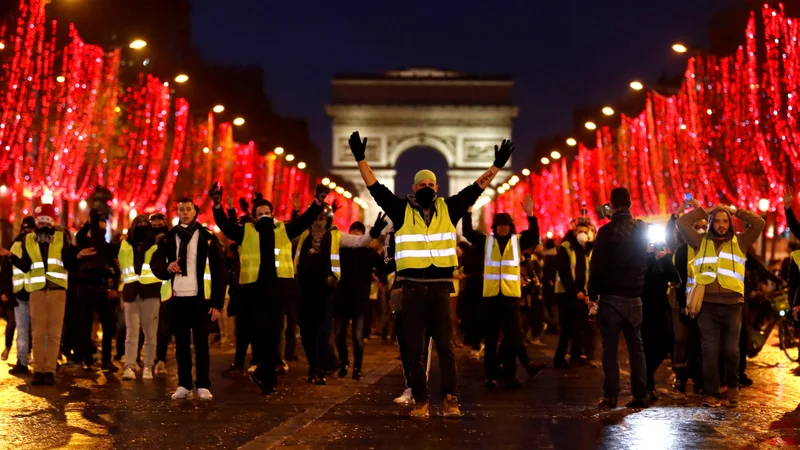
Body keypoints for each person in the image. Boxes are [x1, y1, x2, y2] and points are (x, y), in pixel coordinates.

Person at [348, 130, 514, 418]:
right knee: (413, 349)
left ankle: (451, 398)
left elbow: (476, 188)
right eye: (421, 184)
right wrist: (361, 159)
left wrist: (496, 167)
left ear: (437, 187)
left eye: (430, 183)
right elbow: (375, 189)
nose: (426, 187)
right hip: (411, 289)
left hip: (439, 289)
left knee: (446, 350)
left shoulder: (449, 208)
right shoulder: (400, 210)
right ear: (414, 187)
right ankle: (422, 400)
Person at [211, 182, 326, 394]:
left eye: (266, 212)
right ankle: (266, 377)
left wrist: (318, 203)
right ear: (254, 216)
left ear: (272, 213)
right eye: (259, 212)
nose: (263, 215)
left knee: (273, 336)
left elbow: (305, 221)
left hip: (278, 292)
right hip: (255, 293)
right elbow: (224, 226)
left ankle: (265, 376)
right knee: (262, 335)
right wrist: (218, 205)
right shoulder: (245, 231)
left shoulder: (283, 229)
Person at [676, 200, 764, 407]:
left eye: (725, 221)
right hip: (707, 305)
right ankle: (711, 393)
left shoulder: (740, 242)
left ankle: (733, 386)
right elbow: (682, 224)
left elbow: (759, 223)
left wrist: (736, 211)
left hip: (733, 305)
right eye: (717, 221)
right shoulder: (699, 242)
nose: (721, 225)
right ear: (711, 223)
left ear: (730, 223)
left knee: (731, 350)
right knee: (710, 350)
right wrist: (706, 210)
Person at [294, 203, 387, 385]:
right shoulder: (303, 236)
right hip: (305, 291)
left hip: (327, 293)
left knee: (322, 334)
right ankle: (319, 365)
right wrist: (297, 212)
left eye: (323, 217)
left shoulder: (337, 237)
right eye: (316, 217)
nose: (319, 221)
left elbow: (359, 241)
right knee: (307, 334)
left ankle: (318, 370)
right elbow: (290, 231)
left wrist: (374, 231)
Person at [1, 203, 92, 385]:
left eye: (47, 222)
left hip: (57, 292)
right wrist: (11, 255)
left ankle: (49, 370)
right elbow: (26, 266)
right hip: (36, 292)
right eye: (40, 222)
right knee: (38, 333)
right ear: (37, 224)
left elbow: (67, 262)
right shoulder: (28, 240)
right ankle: (39, 370)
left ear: (52, 224)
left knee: (54, 333)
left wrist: (78, 256)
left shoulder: (60, 238)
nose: (43, 225)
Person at [461, 196, 544, 388]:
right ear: (494, 228)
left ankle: (510, 375)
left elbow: (534, 235)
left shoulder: (519, 241)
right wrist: (468, 211)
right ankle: (491, 375)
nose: (503, 228)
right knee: (491, 339)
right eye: (499, 225)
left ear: (511, 227)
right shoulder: (486, 242)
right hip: (491, 297)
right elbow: (467, 232)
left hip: (511, 296)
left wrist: (531, 215)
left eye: (506, 225)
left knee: (511, 337)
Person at [150, 198, 225, 400]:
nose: (184, 212)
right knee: (181, 344)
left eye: (188, 209)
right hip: (177, 298)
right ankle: (184, 384)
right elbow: (155, 260)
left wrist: (217, 304)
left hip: (200, 299)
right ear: (177, 212)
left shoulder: (207, 238)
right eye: (181, 209)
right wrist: (167, 268)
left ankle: (202, 385)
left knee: (201, 344)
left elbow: (219, 273)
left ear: (195, 212)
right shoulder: (169, 238)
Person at [588, 187, 650, 409]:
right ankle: (640, 395)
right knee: (637, 348)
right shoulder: (640, 230)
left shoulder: (606, 232)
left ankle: (611, 395)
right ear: (631, 203)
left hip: (611, 298)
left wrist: (592, 294)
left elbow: (597, 266)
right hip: (635, 297)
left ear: (611, 205)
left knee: (610, 348)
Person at [334, 221, 385, 381]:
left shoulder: (369, 253)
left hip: (360, 302)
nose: (355, 234)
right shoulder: (341, 251)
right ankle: (344, 363)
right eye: (353, 231)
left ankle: (357, 368)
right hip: (342, 300)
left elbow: (383, 268)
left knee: (357, 337)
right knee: (339, 335)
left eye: (359, 232)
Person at [115, 215, 163, 381]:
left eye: (144, 225)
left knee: (150, 334)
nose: (141, 227)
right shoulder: (125, 244)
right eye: (138, 225)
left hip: (150, 293)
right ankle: (129, 365)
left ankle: (148, 366)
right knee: (131, 333)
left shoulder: (156, 244)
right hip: (131, 293)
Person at [666, 201, 707, 394]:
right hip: (681, 301)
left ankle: (699, 378)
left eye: (703, 227)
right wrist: (683, 306)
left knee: (699, 341)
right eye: (696, 226)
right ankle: (680, 377)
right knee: (681, 339)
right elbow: (680, 279)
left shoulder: (709, 249)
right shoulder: (682, 250)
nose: (700, 230)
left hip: (702, 303)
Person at [74, 209, 121, 373]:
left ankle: (106, 359)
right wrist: (89, 223)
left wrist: (113, 287)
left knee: (108, 326)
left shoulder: (105, 249)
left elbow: (115, 268)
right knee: (85, 326)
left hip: (103, 290)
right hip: (86, 289)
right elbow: (80, 236)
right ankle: (87, 358)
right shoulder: (84, 245)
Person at [641, 242, 680, 402]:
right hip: (643, 307)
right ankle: (647, 385)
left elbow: (675, 278)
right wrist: (648, 256)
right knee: (646, 346)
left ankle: (647, 373)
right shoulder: (641, 257)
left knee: (666, 342)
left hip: (661, 306)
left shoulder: (664, 260)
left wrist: (665, 259)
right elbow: (643, 276)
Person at [553, 218, 594, 368]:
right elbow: (564, 273)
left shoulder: (588, 250)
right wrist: (575, 291)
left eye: (585, 232)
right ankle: (560, 357)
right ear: (575, 232)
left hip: (583, 296)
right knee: (567, 328)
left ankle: (577, 355)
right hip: (567, 295)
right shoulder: (566, 247)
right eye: (580, 231)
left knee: (581, 327)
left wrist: (588, 293)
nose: (582, 234)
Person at [0, 216, 36, 374]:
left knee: (24, 329)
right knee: (30, 330)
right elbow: (6, 272)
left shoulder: (14, 246)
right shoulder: (36, 245)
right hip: (30, 292)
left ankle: (24, 361)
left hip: (25, 292)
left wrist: (6, 292)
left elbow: (6, 272)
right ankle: (31, 361)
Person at [149, 213, 172, 376]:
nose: (157, 229)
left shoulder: (170, 239)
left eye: (160, 225)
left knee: (163, 328)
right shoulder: (146, 241)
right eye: (154, 226)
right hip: (146, 289)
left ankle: (160, 358)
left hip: (166, 290)